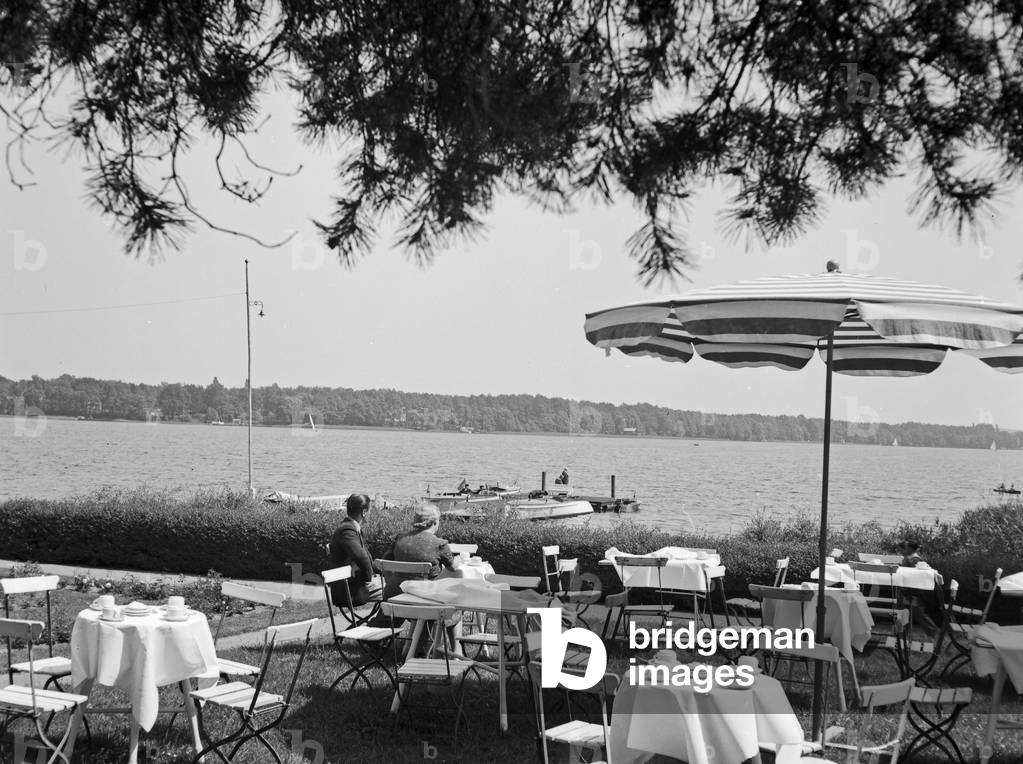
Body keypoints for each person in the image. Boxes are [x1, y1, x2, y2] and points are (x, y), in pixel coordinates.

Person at [381, 503, 457, 600]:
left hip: (393, 594)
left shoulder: (400, 539)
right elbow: (453, 569)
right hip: (424, 597)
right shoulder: (440, 544)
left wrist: (390, 581)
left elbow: (384, 563)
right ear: (434, 522)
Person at [328, 493, 383, 608]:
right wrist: (370, 578)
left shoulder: (350, 528)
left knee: (393, 587)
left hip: (350, 586)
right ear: (364, 512)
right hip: (350, 591)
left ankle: (378, 623)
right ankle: (378, 624)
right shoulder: (347, 531)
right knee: (395, 590)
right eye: (369, 511)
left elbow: (365, 558)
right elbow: (361, 557)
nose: (370, 514)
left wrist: (381, 571)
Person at [897, 540, 940, 635]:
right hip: (910, 591)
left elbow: (914, 576)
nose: (904, 549)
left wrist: (909, 592)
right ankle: (902, 632)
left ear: (910, 548)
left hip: (913, 593)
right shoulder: (912, 558)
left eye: (906, 547)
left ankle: (933, 632)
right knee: (906, 613)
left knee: (918, 614)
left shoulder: (913, 560)